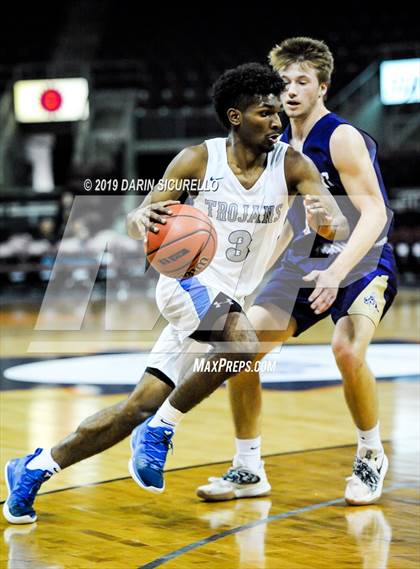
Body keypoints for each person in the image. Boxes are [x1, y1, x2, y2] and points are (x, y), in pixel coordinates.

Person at [3, 62, 347, 524]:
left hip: (229, 300)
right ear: (235, 116)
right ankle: (163, 427)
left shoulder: (292, 164)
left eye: (277, 114)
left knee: (133, 408)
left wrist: (328, 218)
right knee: (243, 346)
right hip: (187, 282)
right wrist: (141, 220)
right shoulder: (198, 160)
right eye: (265, 113)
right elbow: (139, 216)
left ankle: (32, 469)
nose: (277, 122)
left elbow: (335, 220)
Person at [196, 37, 397, 506]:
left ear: (321, 87)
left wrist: (336, 272)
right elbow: (286, 229)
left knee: (346, 349)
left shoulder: (341, 136)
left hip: (364, 260)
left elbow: (374, 214)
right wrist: (244, 281)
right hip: (307, 257)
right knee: (236, 347)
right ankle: (248, 468)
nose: (290, 91)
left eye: (302, 81)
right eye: (283, 82)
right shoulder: (280, 149)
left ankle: (371, 454)